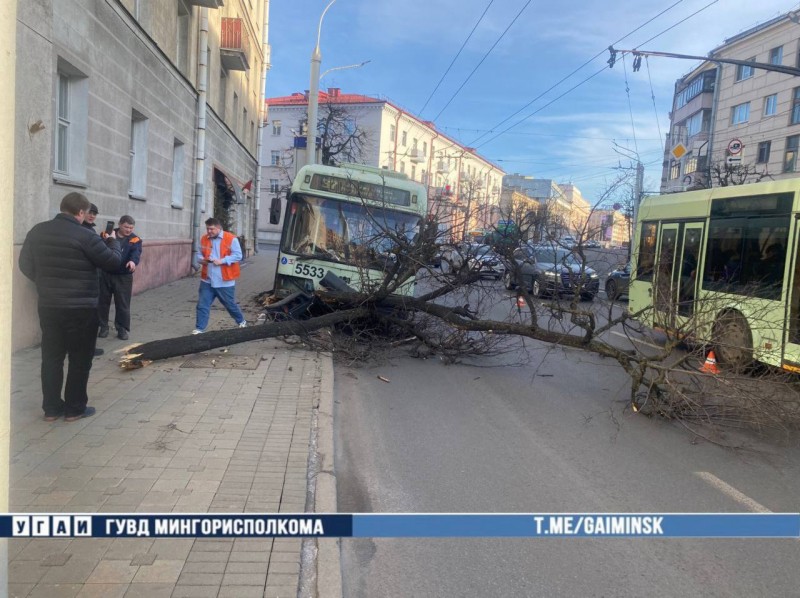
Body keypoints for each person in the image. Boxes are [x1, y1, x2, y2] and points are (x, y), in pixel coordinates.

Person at [18, 192, 122, 422]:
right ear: (81, 213)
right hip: (82, 308)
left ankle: (51, 409)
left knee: (52, 357)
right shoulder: (86, 235)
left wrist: (46, 282)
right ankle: (74, 409)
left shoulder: (37, 231)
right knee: (80, 358)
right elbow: (113, 262)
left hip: (49, 305)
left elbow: (24, 264)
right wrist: (114, 242)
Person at [193, 218, 247, 334]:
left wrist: (222, 261)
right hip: (207, 279)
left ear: (219, 228)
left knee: (230, 305)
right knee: (202, 305)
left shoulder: (231, 238)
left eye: (211, 229)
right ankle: (199, 328)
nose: (209, 231)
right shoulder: (204, 239)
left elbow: (238, 256)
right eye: (207, 228)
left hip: (225, 280)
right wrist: (202, 260)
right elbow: (198, 255)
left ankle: (241, 322)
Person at [98, 215, 142, 340]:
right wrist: (106, 240)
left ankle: (122, 329)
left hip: (123, 276)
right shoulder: (106, 234)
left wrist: (133, 262)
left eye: (131, 228)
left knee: (123, 304)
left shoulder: (135, 239)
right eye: (126, 227)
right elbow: (98, 249)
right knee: (102, 302)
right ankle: (103, 327)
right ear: (120, 225)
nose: (129, 230)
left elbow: (136, 253)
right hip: (105, 273)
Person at [82, 203, 105, 356]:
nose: (92, 216)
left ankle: (88, 346)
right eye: (90, 213)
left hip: (93, 278)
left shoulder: (91, 229)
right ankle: (86, 348)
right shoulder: (81, 230)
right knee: (87, 316)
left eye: (94, 214)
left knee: (91, 314)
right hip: (84, 280)